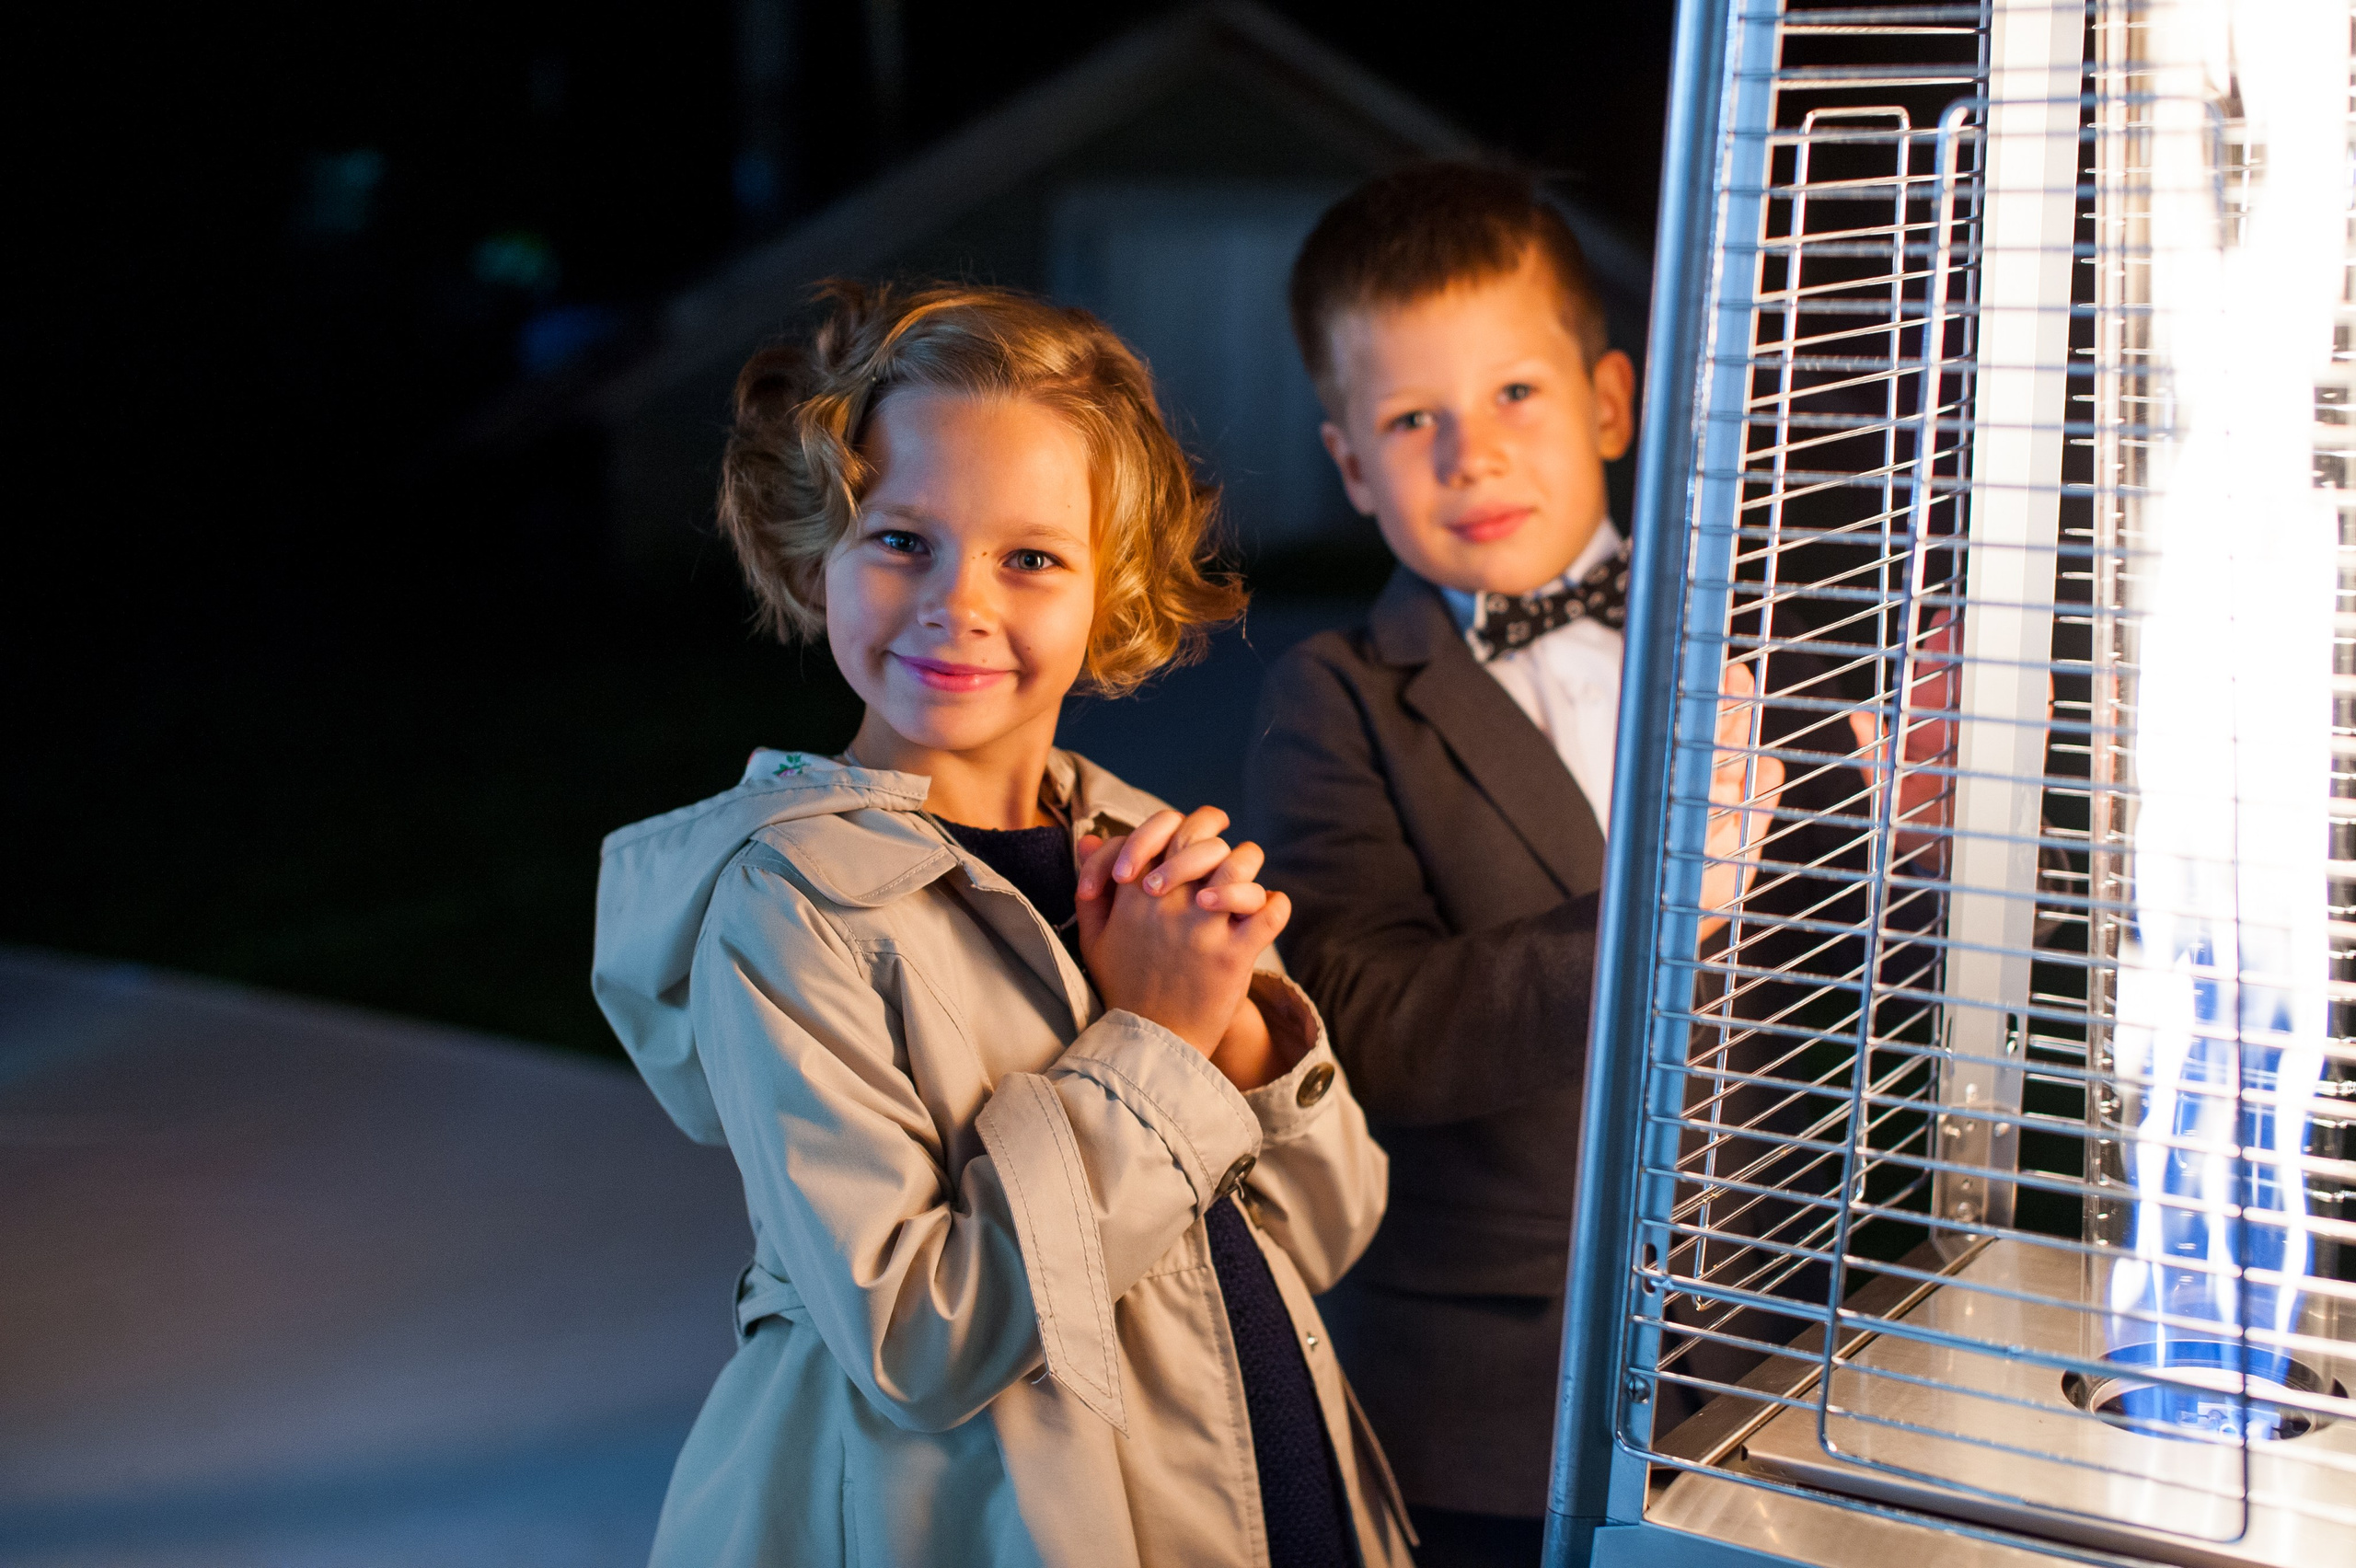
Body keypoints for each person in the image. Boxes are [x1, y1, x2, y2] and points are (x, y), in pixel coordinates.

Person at [592, 282, 1414, 1568]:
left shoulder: (1139, 846)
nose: (959, 601)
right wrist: (1153, 1034)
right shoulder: (789, 908)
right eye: (901, 539)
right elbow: (918, 1339)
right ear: (818, 554)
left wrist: (1241, 1041)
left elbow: (1328, 1226)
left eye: (1030, 557)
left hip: (1255, 1481)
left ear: (1112, 587)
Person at [1242, 164, 1804, 1565]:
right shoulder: (1340, 698)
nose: (1469, 455)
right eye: (1412, 419)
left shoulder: (1768, 648)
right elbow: (1365, 1027)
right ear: (1354, 466)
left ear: (1609, 403)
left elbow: (1850, 984)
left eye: (1513, 396)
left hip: (1777, 1358)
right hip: (1484, 1417)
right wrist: (1652, 922)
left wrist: (1915, 847)